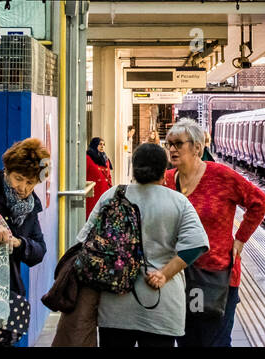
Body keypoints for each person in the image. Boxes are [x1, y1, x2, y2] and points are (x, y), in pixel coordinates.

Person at [81, 142, 208, 347]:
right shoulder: (179, 202)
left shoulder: (112, 195)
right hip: (161, 305)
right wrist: (164, 273)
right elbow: (196, 245)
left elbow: (84, 241)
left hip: (115, 304)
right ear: (164, 171)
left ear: (135, 168)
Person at [165, 117, 265, 347]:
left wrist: (240, 239)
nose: (172, 149)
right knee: (186, 340)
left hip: (217, 275)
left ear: (197, 148)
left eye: (178, 144)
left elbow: (260, 201)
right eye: (169, 144)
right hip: (181, 274)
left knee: (215, 342)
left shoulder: (221, 176)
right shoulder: (167, 181)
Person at [0, 137, 50, 347]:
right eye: (18, 178)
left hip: (6, 291)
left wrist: (19, 244)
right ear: (7, 170)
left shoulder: (31, 207)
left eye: (30, 182)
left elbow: (39, 250)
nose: (22, 187)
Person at [85, 136, 113, 216]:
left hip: (104, 190)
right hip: (94, 192)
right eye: (100, 144)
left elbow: (108, 176)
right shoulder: (88, 157)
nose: (102, 146)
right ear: (94, 144)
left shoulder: (105, 159)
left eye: (103, 144)